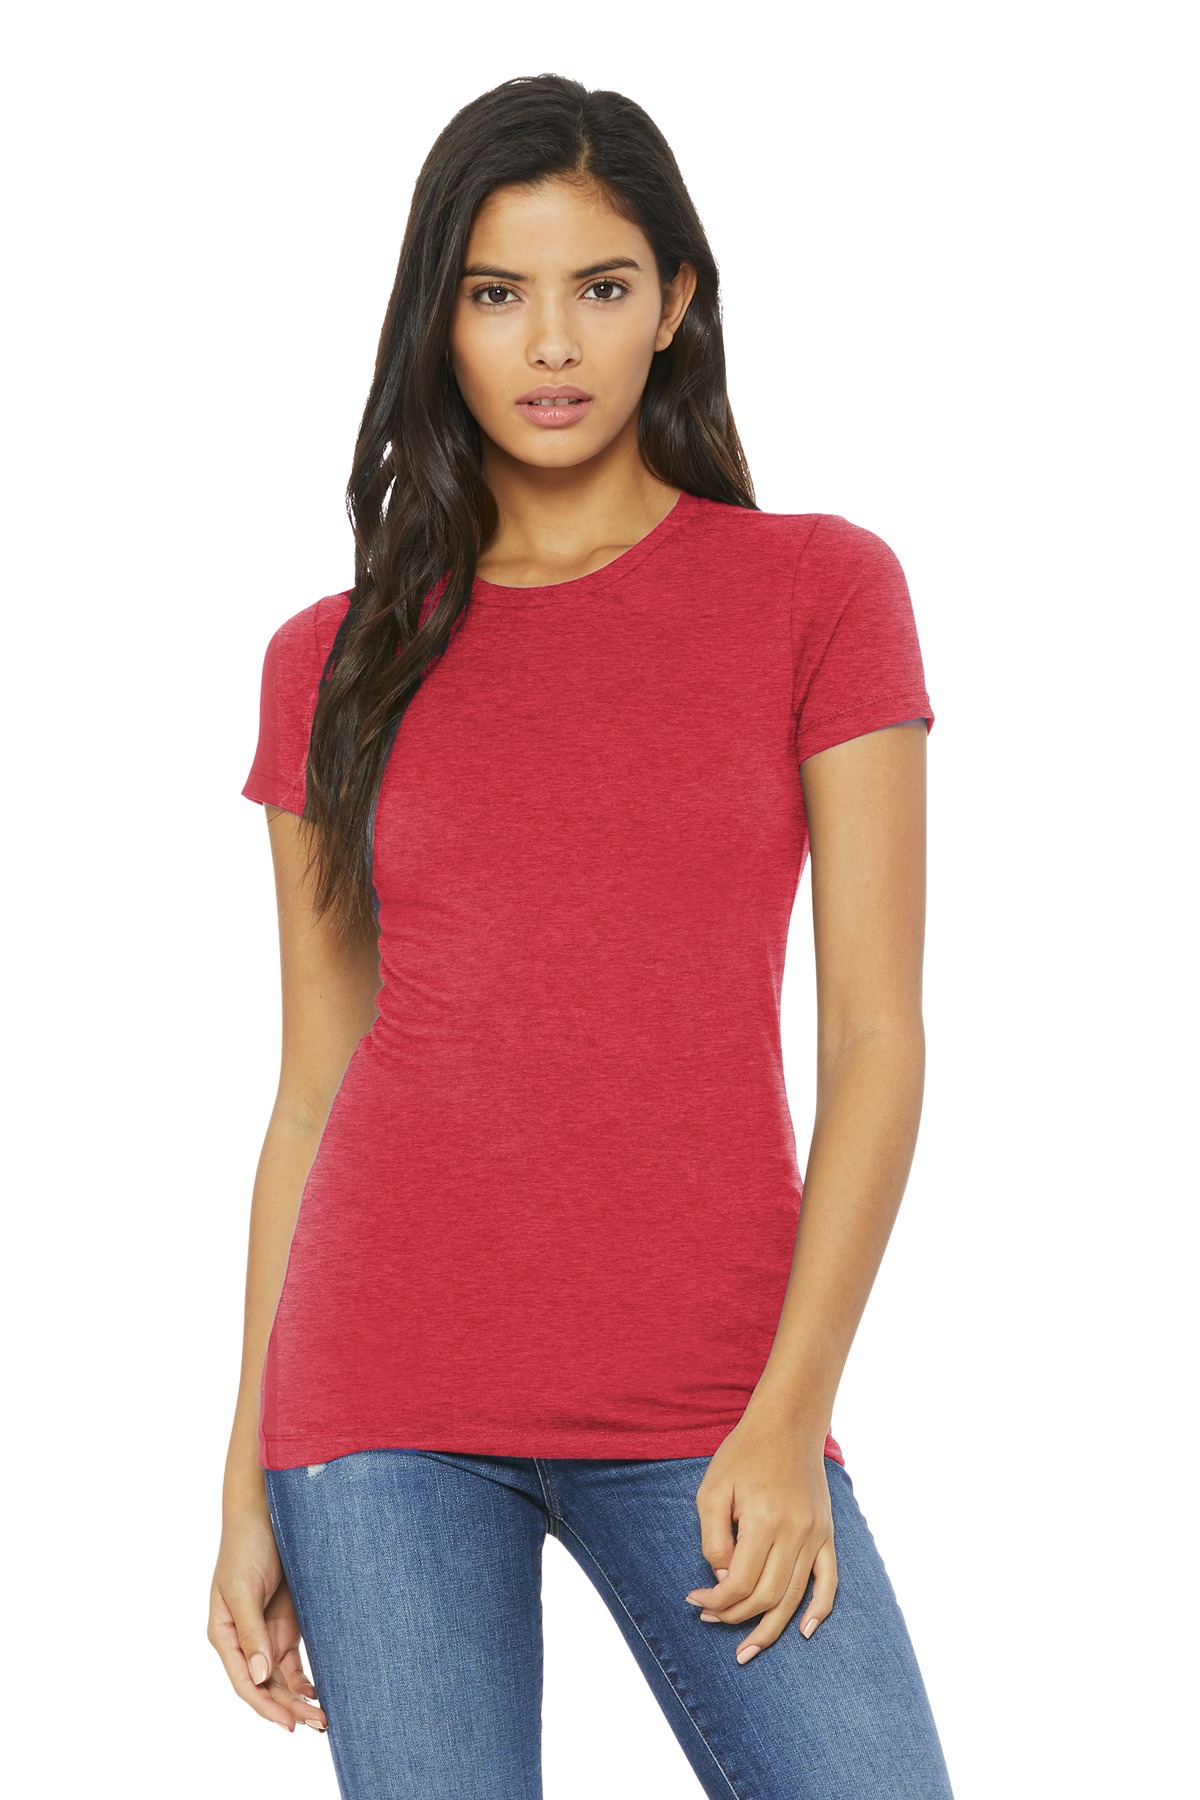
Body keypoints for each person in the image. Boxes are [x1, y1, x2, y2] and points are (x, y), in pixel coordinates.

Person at [208, 71, 956, 1800]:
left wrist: (790, 1413)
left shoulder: (818, 593)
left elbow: (876, 1037)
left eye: (601, 287)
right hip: (379, 1403)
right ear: (440, 317)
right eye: (497, 292)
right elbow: (313, 1090)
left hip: (710, 1392)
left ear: (674, 301)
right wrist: (244, 1470)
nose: (551, 343)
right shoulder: (332, 659)